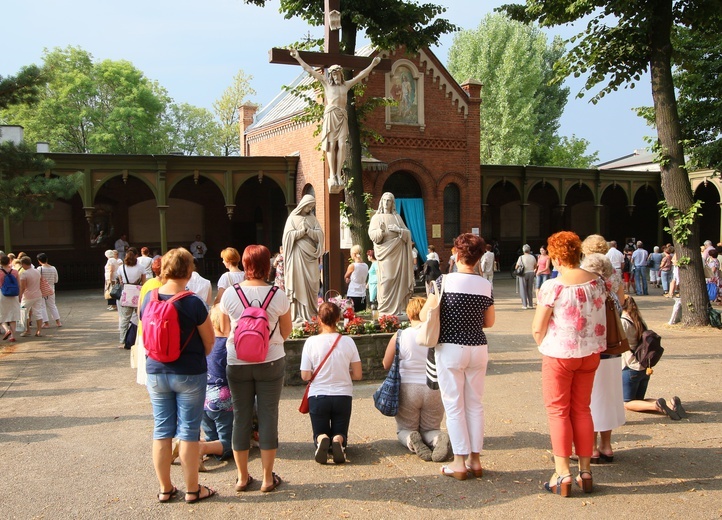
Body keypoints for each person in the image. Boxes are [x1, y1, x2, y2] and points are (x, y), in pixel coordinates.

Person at [532, 231, 606, 497]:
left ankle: (562, 472)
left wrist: (542, 343)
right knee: (582, 409)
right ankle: (585, 470)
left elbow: (538, 327)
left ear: (556, 257)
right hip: (590, 352)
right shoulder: (597, 282)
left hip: (560, 354)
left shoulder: (554, 286)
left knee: (558, 411)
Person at [140, 247, 215, 504]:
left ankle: (165, 488)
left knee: (161, 430)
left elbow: (145, 335)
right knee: (189, 432)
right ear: (189, 270)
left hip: (156, 371)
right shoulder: (193, 302)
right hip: (189, 372)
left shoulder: (149, 298)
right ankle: (193, 489)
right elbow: (209, 341)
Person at [419, 233, 495, 481]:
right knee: (475, 405)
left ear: (457, 253)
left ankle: (459, 462)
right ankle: (475, 459)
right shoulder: (485, 285)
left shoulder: (443, 282)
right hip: (478, 347)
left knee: (454, 406)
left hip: (450, 347)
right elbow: (490, 322)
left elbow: (424, 315)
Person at [220, 245, 292, 494]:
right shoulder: (277, 294)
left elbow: (222, 328)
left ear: (246, 264)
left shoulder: (230, 294)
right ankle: (267, 479)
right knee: (268, 416)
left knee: (240, 416)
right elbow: (286, 331)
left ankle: (241, 478)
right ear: (267, 265)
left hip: (237, 362)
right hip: (270, 361)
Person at [289, 49, 381, 190]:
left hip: (342, 115)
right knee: (331, 145)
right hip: (331, 115)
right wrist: (298, 58)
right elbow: (310, 70)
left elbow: (362, 75)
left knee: (342, 145)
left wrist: (372, 65)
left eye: (338, 74)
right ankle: (332, 174)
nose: (337, 76)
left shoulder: (346, 85)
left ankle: (338, 174)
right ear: (331, 75)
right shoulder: (326, 83)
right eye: (334, 74)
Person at [382, 297, 451, 462]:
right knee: (431, 428)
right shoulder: (437, 334)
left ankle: (410, 439)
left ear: (409, 314)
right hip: (434, 386)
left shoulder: (401, 335)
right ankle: (437, 438)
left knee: (405, 428)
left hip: (408, 387)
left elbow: (386, 363)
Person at [300, 302, 362, 464]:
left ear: (319, 319)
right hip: (343, 395)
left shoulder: (311, 342)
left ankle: (322, 440)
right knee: (340, 429)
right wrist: (342, 371)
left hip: (318, 395)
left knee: (319, 431)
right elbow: (358, 374)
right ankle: (338, 440)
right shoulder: (348, 342)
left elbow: (305, 375)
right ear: (338, 319)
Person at [580, 249, 626, 465]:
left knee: (589, 399)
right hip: (612, 349)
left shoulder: (587, 291)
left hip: (592, 349)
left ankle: (590, 447)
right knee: (607, 397)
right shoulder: (611, 292)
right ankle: (606, 445)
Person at [621, 295, 686, 419]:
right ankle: (670, 403)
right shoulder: (639, 320)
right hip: (644, 366)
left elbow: (620, 343)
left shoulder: (623, 322)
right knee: (639, 400)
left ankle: (657, 406)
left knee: (627, 402)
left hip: (630, 365)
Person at [368, 192, 415, 315]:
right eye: (385, 200)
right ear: (381, 202)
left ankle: (399, 308)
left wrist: (399, 230)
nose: (387, 203)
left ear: (393, 203)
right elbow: (373, 236)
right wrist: (381, 231)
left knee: (399, 279)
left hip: (398, 253)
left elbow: (407, 233)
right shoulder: (376, 218)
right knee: (387, 279)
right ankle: (384, 308)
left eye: (389, 201)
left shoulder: (397, 218)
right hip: (385, 253)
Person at [282, 194, 324, 325]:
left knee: (313, 283)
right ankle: (299, 314)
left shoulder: (313, 219)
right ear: (303, 205)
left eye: (312, 206)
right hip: (297, 255)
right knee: (299, 283)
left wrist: (310, 231)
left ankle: (311, 312)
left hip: (311, 256)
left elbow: (320, 235)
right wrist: (300, 232)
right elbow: (287, 238)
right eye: (309, 206)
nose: (310, 208)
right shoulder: (292, 218)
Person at [200, 305, 234, 463]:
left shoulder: (203, 343)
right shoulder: (227, 345)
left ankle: (204, 446)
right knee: (228, 442)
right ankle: (201, 448)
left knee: (210, 435)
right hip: (222, 399)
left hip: (202, 397)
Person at [135, 257, 163, 386]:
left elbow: (139, 306)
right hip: (160, 327)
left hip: (145, 325)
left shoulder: (147, 284)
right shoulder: (164, 286)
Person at [117, 247, 146, 349]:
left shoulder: (121, 268)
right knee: (140, 317)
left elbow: (120, 281)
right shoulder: (141, 267)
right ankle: (140, 339)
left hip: (126, 293)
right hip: (137, 293)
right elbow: (144, 282)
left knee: (125, 319)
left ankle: (122, 340)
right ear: (136, 256)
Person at [19, 257, 44, 338]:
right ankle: (39, 330)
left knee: (24, 312)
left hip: (28, 296)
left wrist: (20, 296)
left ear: (23, 264)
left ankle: (27, 330)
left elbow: (23, 287)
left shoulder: (24, 274)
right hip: (38, 294)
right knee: (38, 312)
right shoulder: (37, 271)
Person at [37, 253, 62, 328]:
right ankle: (58, 322)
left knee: (42, 306)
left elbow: (37, 280)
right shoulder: (53, 268)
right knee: (52, 305)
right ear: (47, 259)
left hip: (41, 289)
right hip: (51, 288)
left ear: (39, 261)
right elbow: (56, 280)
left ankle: (46, 323)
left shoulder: (39, 269)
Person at [0, 255, 21, 342]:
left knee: (2, 314)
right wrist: (20, 296)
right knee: (13, 316)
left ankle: (6, 330)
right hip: (14, 295)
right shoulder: (15, 272)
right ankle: (12, 336)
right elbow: (19, 284)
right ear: (9, 262)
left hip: (2, 294)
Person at [344, 245, 369, 312]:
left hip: (353, 293)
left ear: (353, 254)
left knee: (351, 314)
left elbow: (346, 276)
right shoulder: (366, 265)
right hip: (362, 294)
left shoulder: (352, 266)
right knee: (361, 315)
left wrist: (348, 278)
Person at [515, 244, 537, 309]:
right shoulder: (533, 257)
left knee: (523, 289)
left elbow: (517, 266)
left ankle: (524, 304)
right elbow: (535, 266)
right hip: (531, 273)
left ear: (523, 250)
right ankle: (530, 304)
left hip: (523, 274)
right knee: (529, 289)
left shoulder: (521, 257)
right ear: (529, 250)